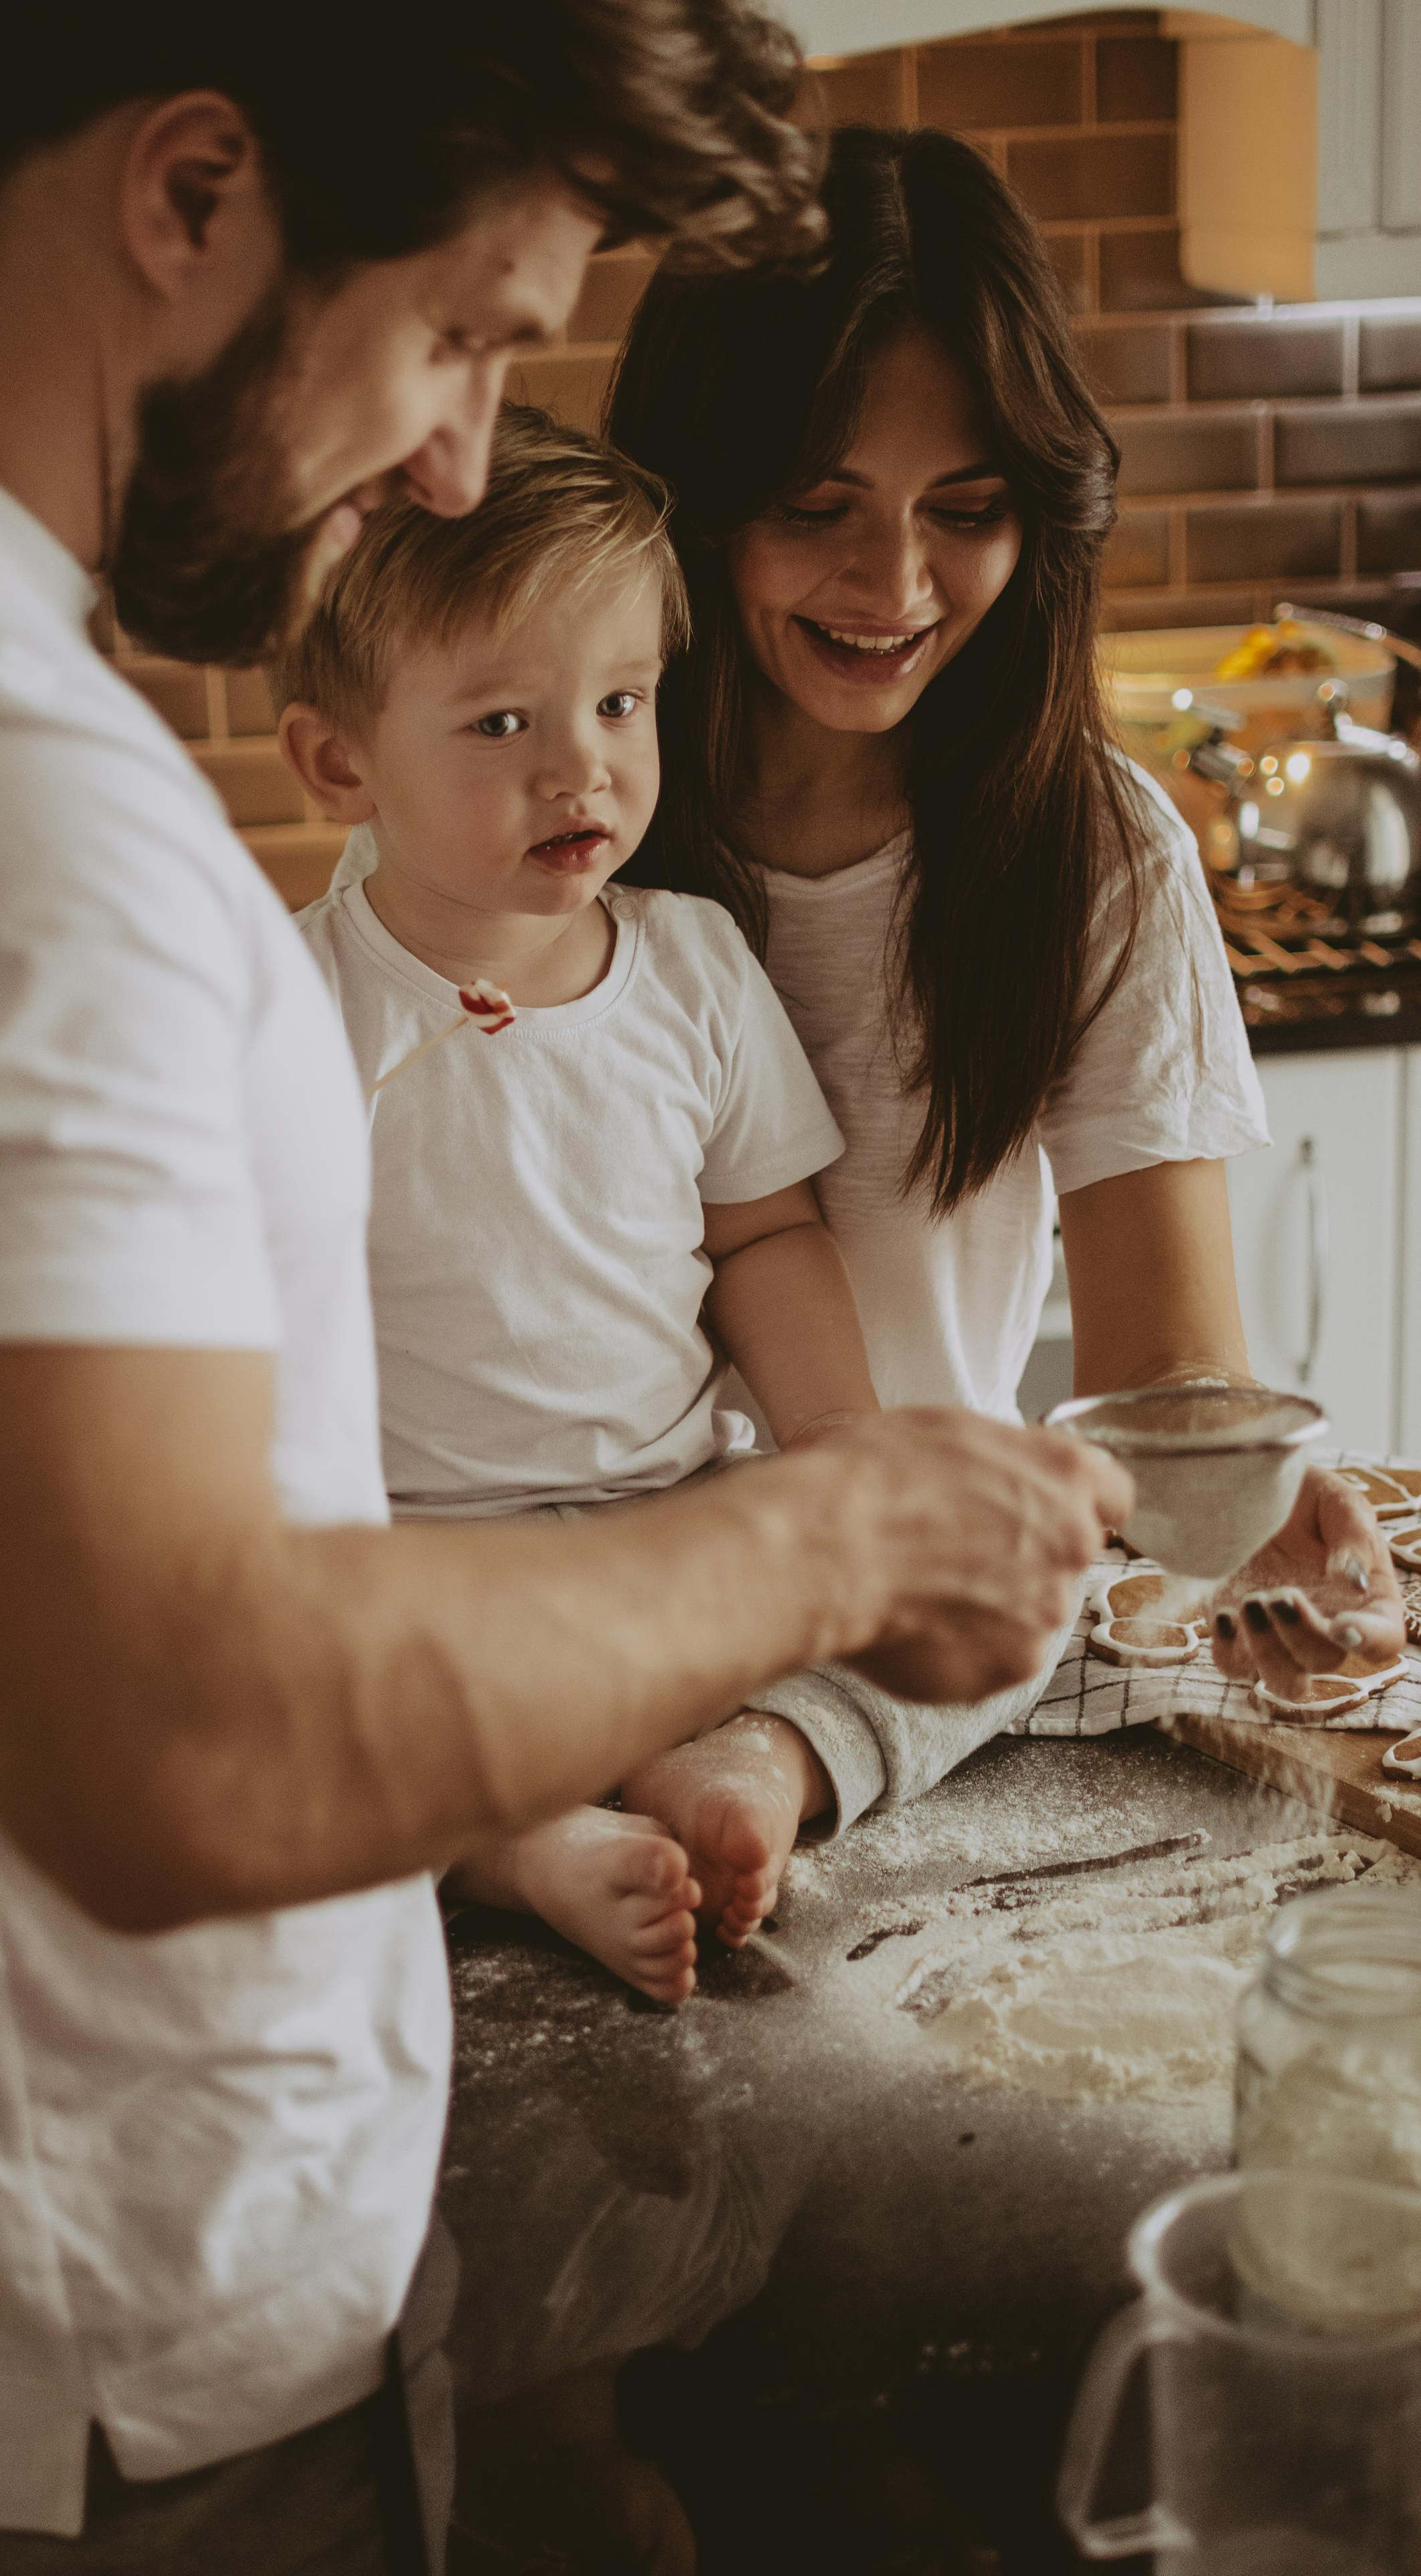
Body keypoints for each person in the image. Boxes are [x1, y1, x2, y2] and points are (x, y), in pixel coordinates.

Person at [0, 22, 1130, 2575]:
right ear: (194, 189)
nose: (467, 453)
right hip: (110, 2384)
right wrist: (845, 1538)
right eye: (466, 331)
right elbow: (182, 1743)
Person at [607, 121, 1404, 1725]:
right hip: (567, 1636)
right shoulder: (543, 805)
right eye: (819, 504)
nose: (891, 581)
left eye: (961, 508)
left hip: (899, 1676)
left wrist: (1247, 1515)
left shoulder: (1091, 855)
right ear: (697, 495)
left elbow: (1164, 1373)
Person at [284, 406, 892, 2003]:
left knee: (1021, 1613)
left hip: (674, 1535)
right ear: (338, 758)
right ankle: (514, 1843)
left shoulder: (689, 962)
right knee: (264, 1697)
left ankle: (753, 1763)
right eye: (499, 726)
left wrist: (838, 1456)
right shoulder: (285, 1008)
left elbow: (763, 1232)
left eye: (620, 701)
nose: (584, 766)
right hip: (424, 1565)